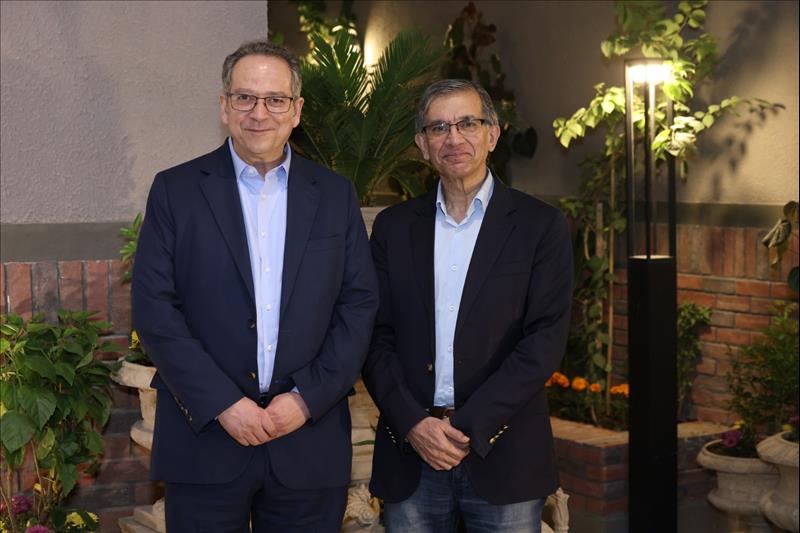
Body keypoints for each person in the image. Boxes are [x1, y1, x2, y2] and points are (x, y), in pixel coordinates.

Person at [131, 39, 378, 532]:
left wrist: (305, 398)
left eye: (275, 99)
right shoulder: (176, 191)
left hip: (307, 441)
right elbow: (155, 309)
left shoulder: (335, 195)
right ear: (224, 106)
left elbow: (358, 306)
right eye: (245, 97)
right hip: (205, 439)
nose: (259, 113)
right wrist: (223, 404)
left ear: (296, 110)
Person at [362, 79, 573, 532]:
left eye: (467, 124)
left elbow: (544, 340)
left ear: (492, 135)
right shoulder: (393, 228)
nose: (453, 138)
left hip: (505, 453)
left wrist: (469, 427)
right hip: (411, 454)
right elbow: (374, 337)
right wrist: (415, 424)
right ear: (423, 145)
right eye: (438, 127)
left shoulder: (540, 226)